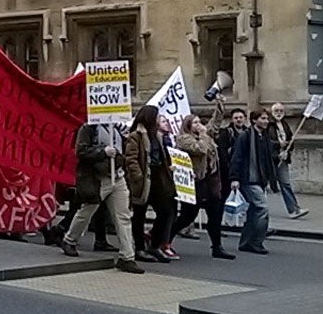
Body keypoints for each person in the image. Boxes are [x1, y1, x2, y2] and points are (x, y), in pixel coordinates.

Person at [59, 123, 144, 274]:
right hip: (98, 178)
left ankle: (127, 257)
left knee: (123, 216)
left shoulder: (116, 128)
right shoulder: (89, 128)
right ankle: (70, 239)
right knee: (87, 210)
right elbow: (81, 151)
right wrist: (103, 152)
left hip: (117, 178)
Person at [171, 111, 236, 259]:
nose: (199, 125)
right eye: (195, 122)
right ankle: (164, 239)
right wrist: (204, 134)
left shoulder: (205, 136)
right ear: (188, 125)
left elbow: (216, 123)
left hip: (210, 180)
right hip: (194, 183)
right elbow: (200, 149)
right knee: (187, 216)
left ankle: (217, 247)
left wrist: (219, 106)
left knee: (215, 214)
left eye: (199, 122)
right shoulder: (184, 139)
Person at [125, 106, 178, 262]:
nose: (158, 120)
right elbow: (131, 158)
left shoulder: (158, 136)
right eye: (156, 117)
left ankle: (154, 245)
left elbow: (161, 156)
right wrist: (138, 176)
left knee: (166, 211)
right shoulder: (136, 136)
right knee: (139, 214)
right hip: (143, 180)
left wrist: (168, 167)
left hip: (157, 179)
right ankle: (139, 248)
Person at [229, 108, 280, 255]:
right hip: (248, 179)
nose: (265, 121)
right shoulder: (245, 136)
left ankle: (246, 242)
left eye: (266, 119)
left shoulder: (264, 137)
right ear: (254, 120)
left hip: (260, 179)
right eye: (262, 118)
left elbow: (267, 158)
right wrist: (234, 178)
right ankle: (257, 242)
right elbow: (237, 157)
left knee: (253, 211)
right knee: (262, 208)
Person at [268, 103, 309, 219]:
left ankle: (294, 209)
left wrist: (287, 151)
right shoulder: (268, 126)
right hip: (270, 161)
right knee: (260, 186)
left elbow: (291, 140)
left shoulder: (285, 125)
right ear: (272, 112)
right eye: (276, 111)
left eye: (281, 111)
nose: (279, 113)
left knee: (285, 184)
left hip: (283, 159)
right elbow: (266, 143)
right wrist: (278, 146)